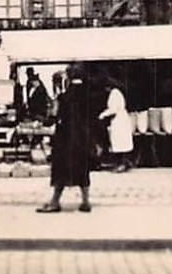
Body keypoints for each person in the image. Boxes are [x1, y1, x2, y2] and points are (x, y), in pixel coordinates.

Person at [38, 64, 96, 213]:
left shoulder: (64, 97)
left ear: (69, 77)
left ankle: (55, 202)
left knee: (61, 171)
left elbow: (53, 116)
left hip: (66, 138)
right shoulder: (89, 95)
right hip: (83, 138)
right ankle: (85, 201)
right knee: (83, 170)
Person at [99, 77, 134, 173]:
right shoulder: (116, 93)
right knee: (120, 142)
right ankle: (123, 162)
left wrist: (103, 115)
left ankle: (122, 163)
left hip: (119, 120)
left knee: (120, 142)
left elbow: (113, 109)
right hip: (119, 119)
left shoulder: (114, 94)